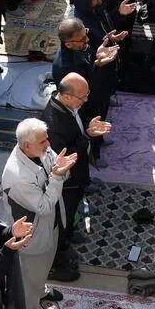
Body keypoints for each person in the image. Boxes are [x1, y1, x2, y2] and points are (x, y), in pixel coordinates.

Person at [0, 118, 76, 309]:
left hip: (48, 225)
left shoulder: (38, 150)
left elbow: (55, 168)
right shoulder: (17, 176)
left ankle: (41, 291)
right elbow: (43, 206)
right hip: (31, 233)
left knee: (44, 264)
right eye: (43, 141)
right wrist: (58, 176)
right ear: (26, 145)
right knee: (29, 275)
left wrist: (62, 169)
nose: (49, 144)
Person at [44, 72, 111, 265]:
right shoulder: (52, 122)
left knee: (72, 210)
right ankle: (60, 251)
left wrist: (87, 132)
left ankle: (70, 233)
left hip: (78, 175)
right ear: (66, 96)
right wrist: (87, 136)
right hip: (67, 181)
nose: (86, 100)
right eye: (83, 97)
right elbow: (63, 156)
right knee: (63, 214)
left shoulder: (69, 107)